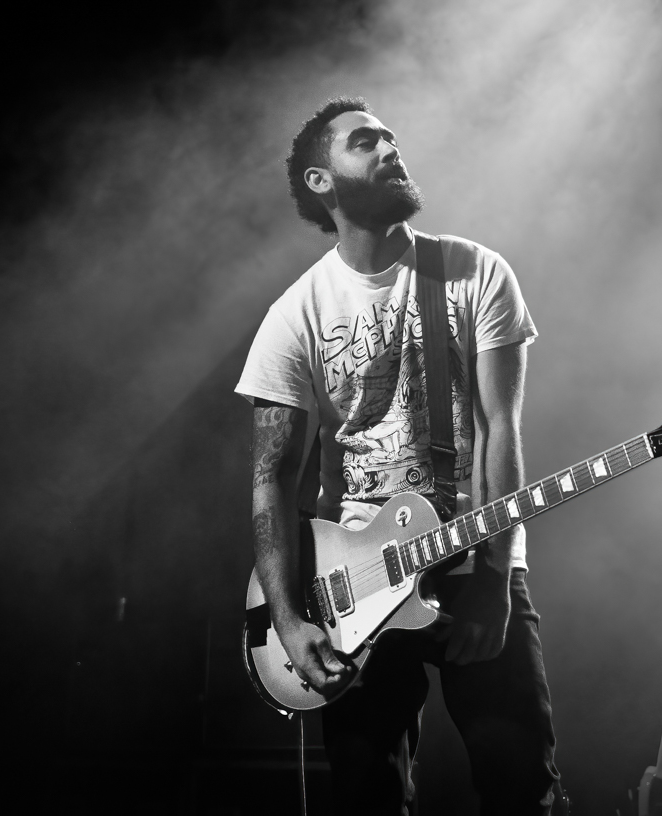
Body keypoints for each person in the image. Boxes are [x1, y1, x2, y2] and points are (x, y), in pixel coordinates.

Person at [236, 97, 560, 815]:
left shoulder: (475, 272)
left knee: (521, 785)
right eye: (365, 142)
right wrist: (288, 618)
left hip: (475, 561)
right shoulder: (296, 314)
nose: (389, 147)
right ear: (321, 181)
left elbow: (499, 430)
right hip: (352, 591)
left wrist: (495, 580)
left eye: (390, 136)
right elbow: (271, 481)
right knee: (367, 796)